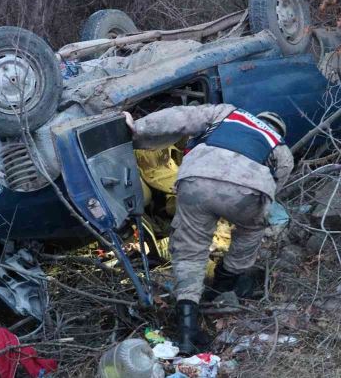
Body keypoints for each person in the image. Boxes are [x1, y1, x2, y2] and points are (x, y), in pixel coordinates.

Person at [123, 105, 293, 355]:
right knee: (250, 231)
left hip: (197, 178)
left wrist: (138, 128)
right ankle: (223, 286)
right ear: (279, 131)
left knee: (190, 250)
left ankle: (187, 329)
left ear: (259, 117)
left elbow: (181, 117)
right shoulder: (281, 149)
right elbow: (272, 193)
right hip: (247, 192)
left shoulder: (229, 113)